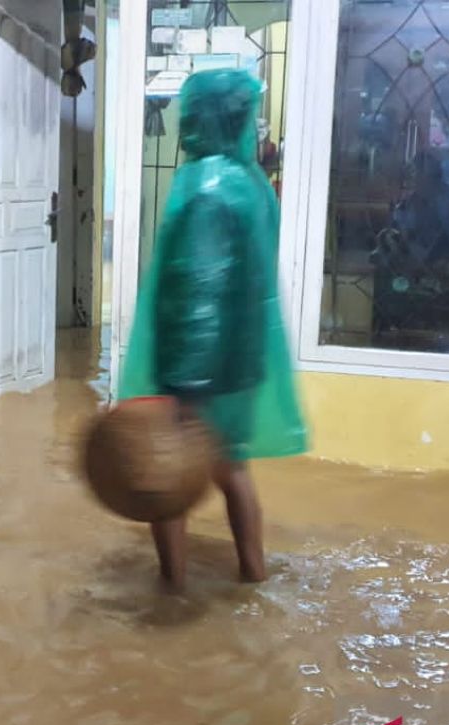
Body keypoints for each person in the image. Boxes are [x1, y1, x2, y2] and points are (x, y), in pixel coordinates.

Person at [118, 69, 307, 592]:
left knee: (166, 480)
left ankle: (172, 585)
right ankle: (253, 574)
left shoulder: (204, 186)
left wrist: (185, 383)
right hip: (242, 362)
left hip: (198, 366)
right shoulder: (252, 183)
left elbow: (199, 289)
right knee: (232, 469)